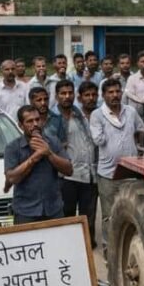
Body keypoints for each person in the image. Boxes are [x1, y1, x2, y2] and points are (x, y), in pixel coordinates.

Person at [90, 78, 144, 249]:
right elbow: (98, 139)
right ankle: (109, 248)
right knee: (109, 214)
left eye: (117, 92)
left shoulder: (130, 111)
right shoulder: (97, 115)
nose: (114, 95)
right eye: (110, 92)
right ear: (104, 95)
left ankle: (129, 246)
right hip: (108, 173)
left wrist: (138, 149)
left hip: (130, 171)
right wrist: (112, 124)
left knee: (132, 210)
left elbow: (141, 130)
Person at [45, 80, 98, 244]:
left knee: (88, 216)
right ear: (57, 96)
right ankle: (67, 249)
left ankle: (87, 249)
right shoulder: (51, 119)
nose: (67, 97)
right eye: (63, 93)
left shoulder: (80, 115)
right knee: (66, 215)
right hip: (66, 175)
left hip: (88, 174)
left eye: (70, 93)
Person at [4, 106, 73, 224]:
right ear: (21, 125)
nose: (35, 124)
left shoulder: (53, 142)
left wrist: (49, 153)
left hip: (54, 210)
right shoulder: (13, 147)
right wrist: (35, 157)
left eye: (37, 120)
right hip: (25, 212)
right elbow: (12, 178)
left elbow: (69, 170)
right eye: (30, 121)